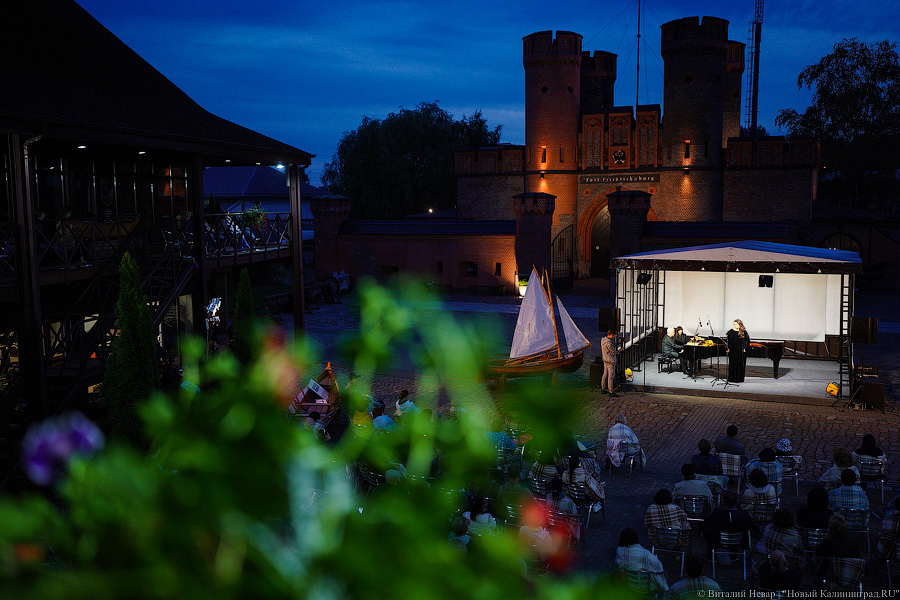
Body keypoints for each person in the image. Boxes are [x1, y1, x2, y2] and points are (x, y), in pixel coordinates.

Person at [751, 508, 805, 575]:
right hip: (785, 571)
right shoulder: (795, 536)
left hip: (761, 566)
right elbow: (800, 554)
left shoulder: (768, 529)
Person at [615, 527, 669, 592]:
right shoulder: (645, 554)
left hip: (629, 584)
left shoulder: (619, 550)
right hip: (646, 586)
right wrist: (655, 559)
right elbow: (658, 569)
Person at [703, 490, 753, 561]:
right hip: (739, 543)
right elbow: (750, 526)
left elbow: (706, 524)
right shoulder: (743, 515)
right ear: (737, 501)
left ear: (723, 502)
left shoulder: (717, 513)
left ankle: (711, 556)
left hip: (718, 543)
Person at [725, 318, 750, 383]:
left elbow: (748, 341)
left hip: (740, 351)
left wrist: (745, 348)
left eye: (736, 324)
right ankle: (731, 378)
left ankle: (739, 379)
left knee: (740, 364)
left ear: (739, 325)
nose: (734, 326)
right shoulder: (730, 332)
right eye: (734, 324)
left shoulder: (744, 332)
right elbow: (728, 341)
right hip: (732, 351)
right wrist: (728, 348)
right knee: (732, 364)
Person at [600, 329, 619, 396]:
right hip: (610, 361)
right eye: (614, 335)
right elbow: (613, 353)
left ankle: (603, 388)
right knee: (611, 376)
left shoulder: (603, 340)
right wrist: (619, 350)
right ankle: (611, 391)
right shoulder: (609, 344)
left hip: (605, 359)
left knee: (605, 374)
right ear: (611, 334)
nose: (614, 337)